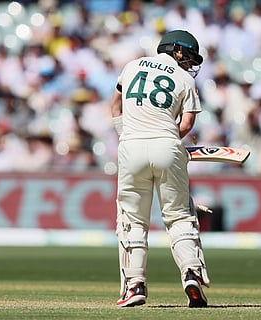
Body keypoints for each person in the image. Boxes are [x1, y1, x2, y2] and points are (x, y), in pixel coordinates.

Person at [110, 29, 210, 308]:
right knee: (179, 216)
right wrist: (165, 142)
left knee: (132, 219)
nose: (190, 63)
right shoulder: (184, 80)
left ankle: (135, 285)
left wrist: (128, 135)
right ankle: (191, 273)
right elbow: (187, 125)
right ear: (176, 51)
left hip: (129, 148)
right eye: (188, 56)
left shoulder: (131, 66)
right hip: (167, 146)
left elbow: (115, 106)